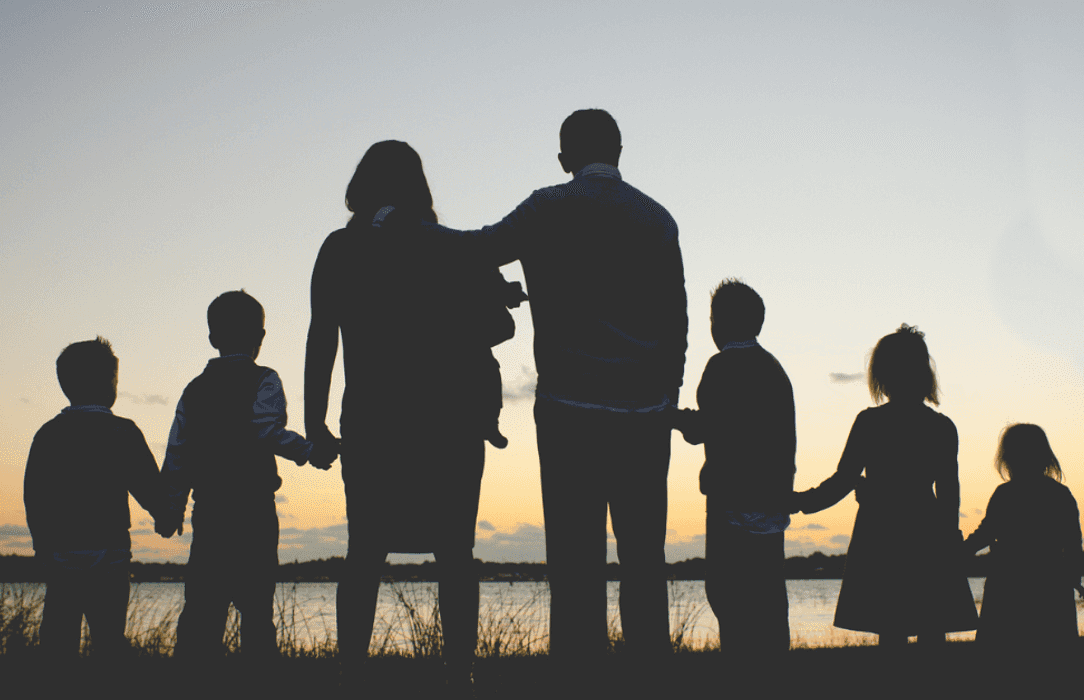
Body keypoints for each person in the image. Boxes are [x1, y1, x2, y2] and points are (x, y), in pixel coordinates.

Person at [410, 109, 688, 677]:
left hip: (568, 413)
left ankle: (580, 676)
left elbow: (476, 248)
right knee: (643, 559)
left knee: (574, 559)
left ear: (563, 158)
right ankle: (649, 676)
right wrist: (665, 396)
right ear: (618, 151)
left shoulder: (546, 207)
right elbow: (677, 322)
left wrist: (409, 228)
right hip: (643, 414)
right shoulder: (657, 219)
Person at [304, 141, 519, 689]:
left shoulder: (339, 248)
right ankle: (459, 674)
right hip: (448, 419)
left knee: (364, 551)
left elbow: (321, 338)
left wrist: (314, 421)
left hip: (373, 417)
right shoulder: (443, 247)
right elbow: (498, 326)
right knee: (455, 551)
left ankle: (351, 672)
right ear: (419, 186)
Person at [159, 290, 328, 662]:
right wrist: (310, 451)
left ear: (213, 338)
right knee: (256, 611)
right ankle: (259, 680)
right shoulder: (265, 379)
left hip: (210, 512)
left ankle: (192, 678)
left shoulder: (194, 390)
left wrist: (170, 508)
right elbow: (266, 430)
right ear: (261, 337)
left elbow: (178, 454)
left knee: (203, 608)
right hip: (254, 512)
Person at [791, 324, 977, 645]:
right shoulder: (941, 427)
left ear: (883, 374)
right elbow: (949, 494)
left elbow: (842, 480)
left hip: (882, 530)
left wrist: (799, 501)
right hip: (928, 531)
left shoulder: (870, 422)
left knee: (891, 627)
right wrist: (951, 540)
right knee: (930, 623)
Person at [24, 336, 166, 660]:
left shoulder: (48, 434)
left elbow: (34, 495)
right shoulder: (123, 431)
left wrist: (41, 545)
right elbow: (147, 485)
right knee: (108, 637)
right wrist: (165, 514)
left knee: (59, 639)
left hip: (61, 553)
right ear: (110, 383)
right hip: (110, 553)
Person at [674, 280, 794, 660]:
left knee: (728, 599)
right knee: (770, 603)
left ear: (719, 323)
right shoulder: (775, 370)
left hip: (730, 503)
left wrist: (669, 417)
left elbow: (705, 428)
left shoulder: (721, 366)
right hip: (773, 503)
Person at [964, 424, 1084, 649]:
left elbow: (987, 532)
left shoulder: (1005, 494)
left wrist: (960, 552)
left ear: (1008, 457)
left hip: (1008, 579)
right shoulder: (1060, 494)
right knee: (1051, 647)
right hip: (1052, 579)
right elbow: (1073, 542)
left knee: (1004, 648)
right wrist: (1074, 575)